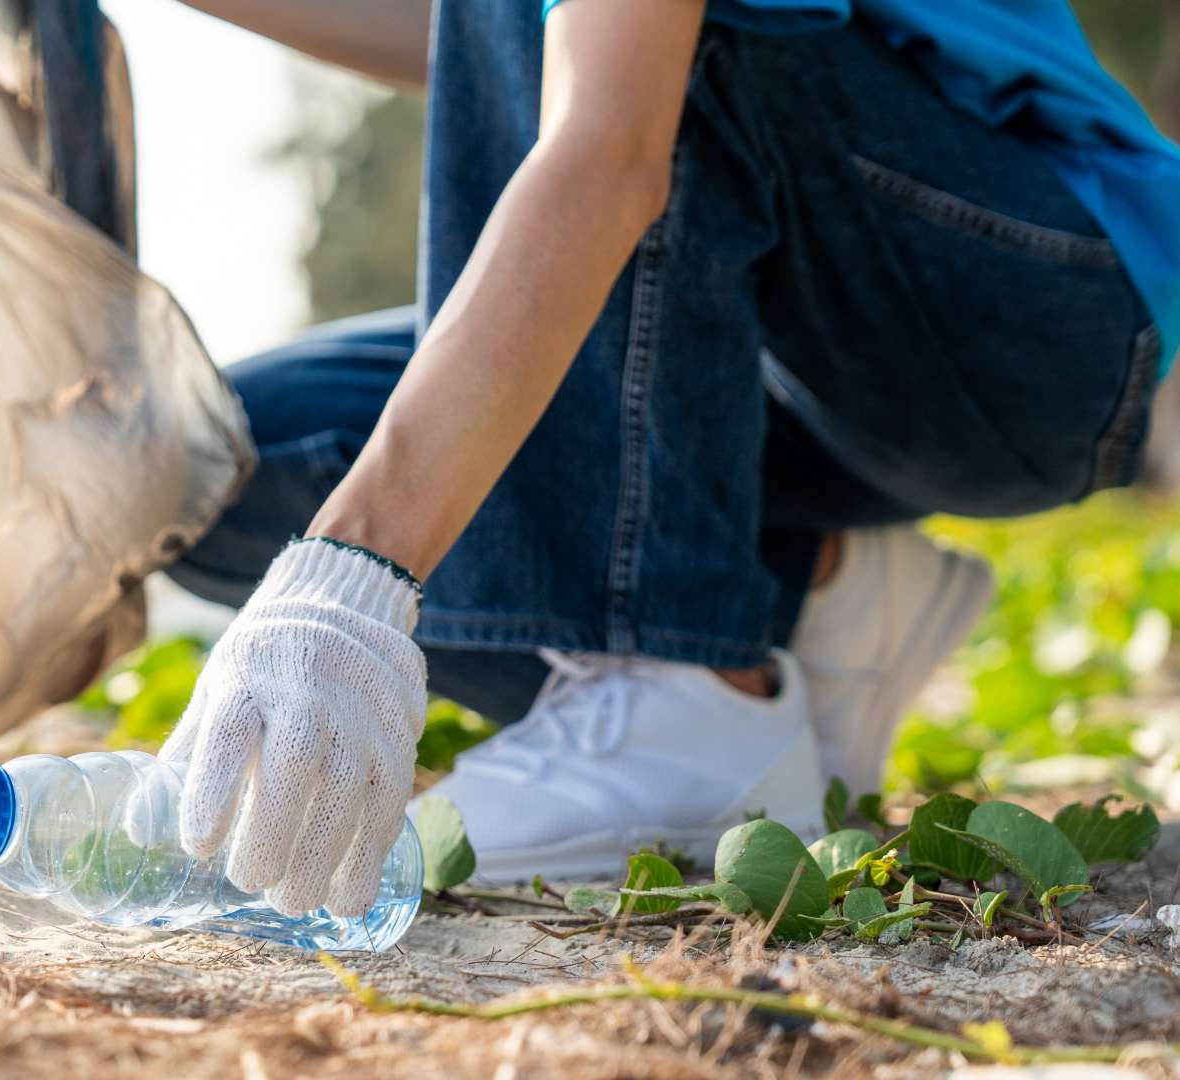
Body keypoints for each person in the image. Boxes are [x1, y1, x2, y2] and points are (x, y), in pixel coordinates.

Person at [153, 0, 1180, 918]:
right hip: (804, 342)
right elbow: (477, 39)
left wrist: (350, 568)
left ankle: (684, 685)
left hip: (1034, 312)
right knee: (215, 461)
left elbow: (614, 142)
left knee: (649, 44)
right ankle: (818, 601)